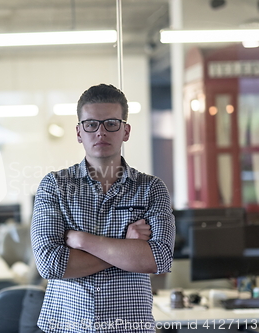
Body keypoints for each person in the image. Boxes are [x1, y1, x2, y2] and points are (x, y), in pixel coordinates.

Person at [31, 84, 175, 333]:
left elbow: (158, 259)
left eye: (111, 123)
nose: (100, 132)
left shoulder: (151, 189)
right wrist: (127, 248)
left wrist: (82, 240)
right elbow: (50, 264)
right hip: (68, 326)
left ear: (126, 131)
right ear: (79, 132)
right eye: (91, 124)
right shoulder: (55, 186)